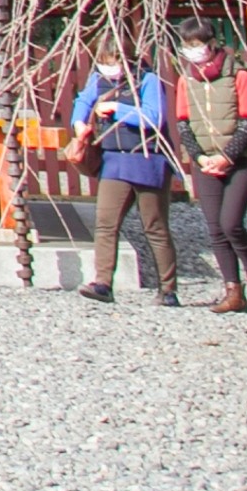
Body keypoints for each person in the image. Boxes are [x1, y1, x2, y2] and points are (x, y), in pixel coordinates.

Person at [69, 45, 181, 303]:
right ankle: (103, 283)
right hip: (114, 159)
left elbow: (154, 116)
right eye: (104, 63)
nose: (109, 70)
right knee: (106, 224)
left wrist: (117, 110)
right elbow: (83, 100)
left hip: (147, 159)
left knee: (155, 226)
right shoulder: (98, 79)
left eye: (113, 63)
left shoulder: (147, 79)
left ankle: (168, 289)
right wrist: (79, 123)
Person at [178, 32, 247, 312]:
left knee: (232, 223)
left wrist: (226, 156)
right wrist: (199, 157)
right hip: (205, 161)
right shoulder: (187, 79)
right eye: (187, 46)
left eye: (196, 45)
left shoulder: (238, 75)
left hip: (241, 159)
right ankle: (233, 291)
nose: (192, 51)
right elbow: (183, 123)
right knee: (216, 229)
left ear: (211, 44)